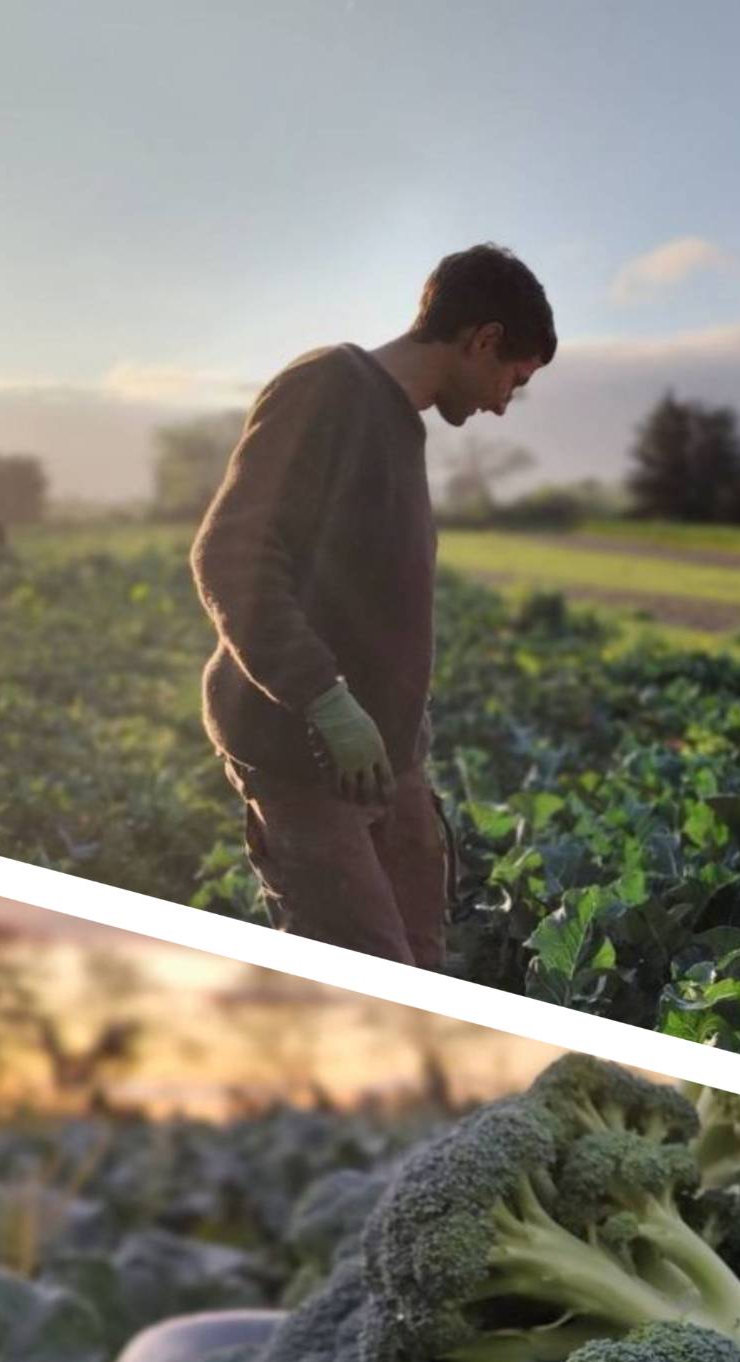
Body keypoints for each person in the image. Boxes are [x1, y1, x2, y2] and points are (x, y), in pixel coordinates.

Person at [194, 243, 556, 967]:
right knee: (365, 979)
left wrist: (404, 726)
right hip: (303, 759)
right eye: (511, 379)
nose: (502, 404)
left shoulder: (398, 423)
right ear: (482, 340)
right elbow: (231, 557)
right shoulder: (326, 386)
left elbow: (362, 595)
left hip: (387, 766)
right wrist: (325, 700)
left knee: (422, 963)